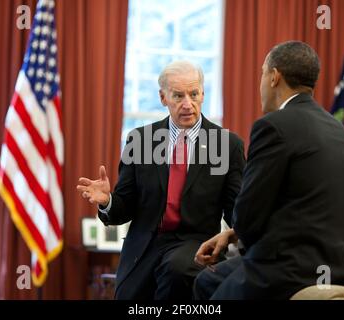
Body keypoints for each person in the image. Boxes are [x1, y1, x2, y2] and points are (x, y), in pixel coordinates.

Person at [193, 41, 344, 300]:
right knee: (208, 281)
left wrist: (238, 229)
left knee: (206, 287)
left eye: (262, 73)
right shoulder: (341, 133)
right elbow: (305, 208)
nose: (260, 82)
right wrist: (232, 234)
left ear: (274, 77)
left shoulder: (274, 126)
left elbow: (247, 217)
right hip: (341, 270)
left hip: (288, 272)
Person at [77, 61, 245, 300]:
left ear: (203, 94)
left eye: (194, 94)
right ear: (163, 97)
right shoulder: (140, 140)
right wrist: (107, 201)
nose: (188, 104)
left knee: (174, 272)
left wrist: (248, 231)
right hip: (144, 247)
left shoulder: (228, 145)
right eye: (178, 95)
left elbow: (236, 211)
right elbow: (122, 210)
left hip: (193, 245)